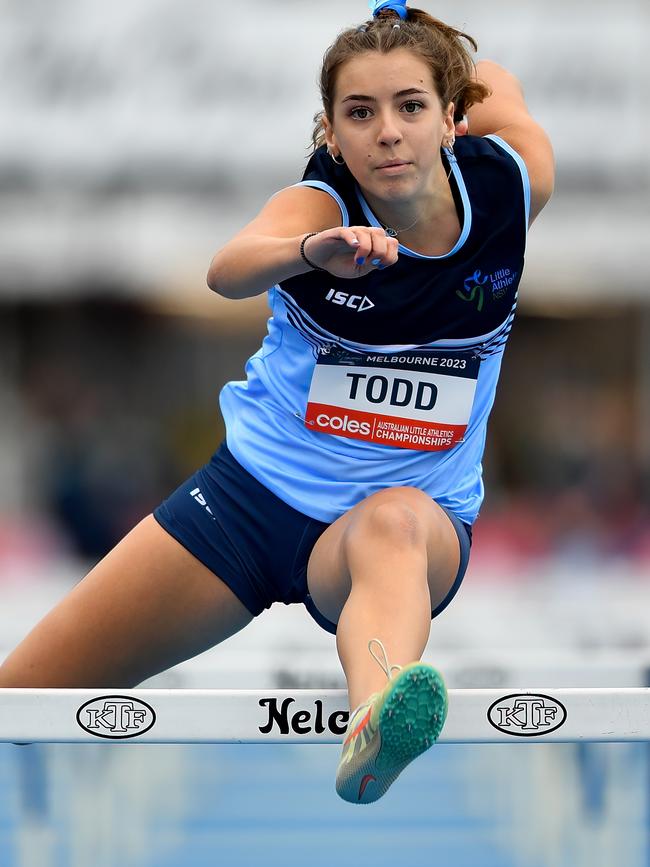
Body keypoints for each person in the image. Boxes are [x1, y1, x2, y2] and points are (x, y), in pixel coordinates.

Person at [0, 0, 554, 804]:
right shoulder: (321, 204)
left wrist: (416, 32)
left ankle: (376, 722)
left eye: (410, 107)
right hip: (251, 503)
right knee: (22, 690)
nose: (386, 132)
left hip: (409, 518)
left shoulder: (515, 183)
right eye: (359, 114)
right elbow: (227, 269)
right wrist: (309, 254)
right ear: (331, 133)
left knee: (391, 521)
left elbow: (495, 87)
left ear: (450, 122)